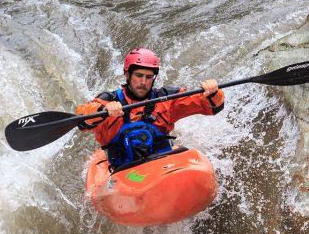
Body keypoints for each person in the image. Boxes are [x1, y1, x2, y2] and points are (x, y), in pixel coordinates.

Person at [75, 48, 225, 171]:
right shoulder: (108, 100)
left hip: (163, 165)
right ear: (127, 74)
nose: (143, 82)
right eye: (138, 75)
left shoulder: (166, 98)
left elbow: (212, 107)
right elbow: (82, 118)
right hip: (122, 171)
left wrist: (212, 93)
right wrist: (103, 109)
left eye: (149, 77)